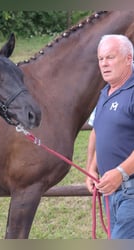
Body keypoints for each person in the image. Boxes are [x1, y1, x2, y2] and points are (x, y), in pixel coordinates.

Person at [85, 34, 134, 239]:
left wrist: (120, 173)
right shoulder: (105, 92)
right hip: (111, 191)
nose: (104, 64)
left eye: (110, 57)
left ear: (128, 58)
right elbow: (99, 131)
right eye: (101, 59)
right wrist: (91, 167)